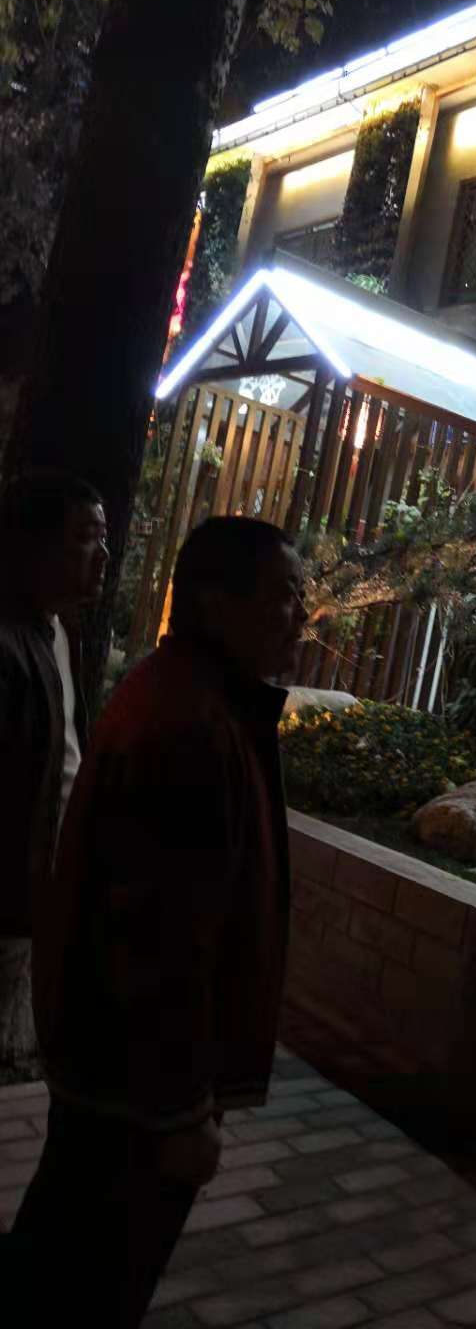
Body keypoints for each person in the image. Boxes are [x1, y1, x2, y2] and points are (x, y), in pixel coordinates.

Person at [8, 515, 307, 1326]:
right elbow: (159, 940)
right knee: (92, 1281)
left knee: (57, 1256)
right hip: (134, 1095)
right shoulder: (192, 728)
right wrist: (179, 1111)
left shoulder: (188, 698)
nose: (301, 615)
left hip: (112, 1075)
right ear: (215, 602)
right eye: (283, 596)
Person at [0, 472, 108, 1074]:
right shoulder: (7, 643)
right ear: (35, 545)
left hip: (37, 901)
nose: (103, 555)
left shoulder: (59, 631)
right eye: (86, 538)